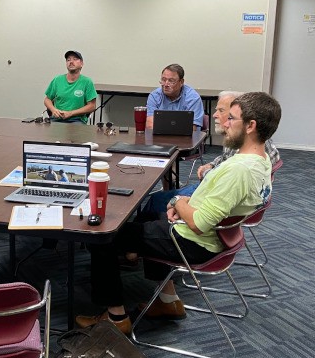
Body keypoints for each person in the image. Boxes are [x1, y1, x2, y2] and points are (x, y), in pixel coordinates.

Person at [77, 92, 280, 335]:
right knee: (150, 218)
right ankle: (167, 300)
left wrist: (178, 201)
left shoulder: (238, 170)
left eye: (231, 118)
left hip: (193, 242)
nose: (225, 123)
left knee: (103, 237)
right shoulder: (261, 160)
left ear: (250, 126)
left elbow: (198, 224)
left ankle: (115, 317)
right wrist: (184, 204)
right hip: (213, 235)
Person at [142, 91, 280, 213]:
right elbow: (227, 158)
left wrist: (207, 172)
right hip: (217, 190)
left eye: (222, 111)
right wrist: (212, 165)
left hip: (214, 193)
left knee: (155, 201)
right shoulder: (237, 139)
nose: (214, 115)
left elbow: (227, 176)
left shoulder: (250, 145)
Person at [44, 50, 97, 124]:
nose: (71, 62)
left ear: (81, 64)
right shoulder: (57, 80)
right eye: (68, 60)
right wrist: (53, 110)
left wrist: (71, 113)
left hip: (77, 120)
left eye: (75, 59)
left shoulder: (87, 82)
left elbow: (92, 106)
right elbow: (47, 99)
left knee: (73, 131)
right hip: (57, 119)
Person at [146, 63, 205, 130]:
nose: (166, 84)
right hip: (159, 136)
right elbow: (150, 125)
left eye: (171, 81)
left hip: (184, 136)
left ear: (181, 82)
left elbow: (192, 129)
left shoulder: (193, 98)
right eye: (163, 80)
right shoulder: (154, 96)